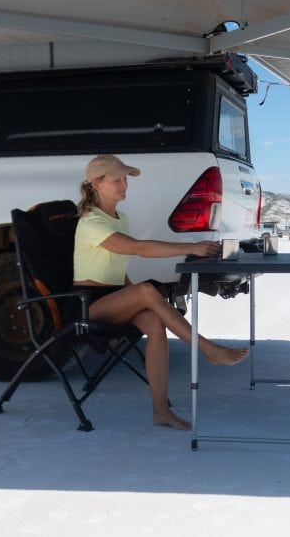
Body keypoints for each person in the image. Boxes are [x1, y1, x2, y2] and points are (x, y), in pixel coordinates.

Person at [72, 154, 247, 431]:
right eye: (117, 179)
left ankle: (160, 411)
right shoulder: (92, 222)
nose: (124, 184)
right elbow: (139, 248)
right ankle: (206, 348)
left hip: (114, 296)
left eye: (125, 178)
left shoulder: (120, 217)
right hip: (87, 304)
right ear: (96, 183)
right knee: (146, 291)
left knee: (154, 322)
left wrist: (134, 296)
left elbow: (117, 269)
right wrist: (190, 247)